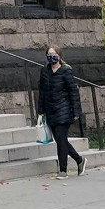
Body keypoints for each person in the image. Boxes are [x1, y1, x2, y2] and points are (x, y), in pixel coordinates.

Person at [33, 48, 85, 176]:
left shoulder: (66, 70)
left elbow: (73, 92)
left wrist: (76, 111)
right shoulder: (44, 71)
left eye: (54, 54)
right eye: (49, 54)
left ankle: (63, 170)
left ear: (59, 56)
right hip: (50, 110)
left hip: (64, 109)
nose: (51, 56)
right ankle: (79, 160)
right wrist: (41, 110)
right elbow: (42, 92)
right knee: (61, 140)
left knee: (61, 139)